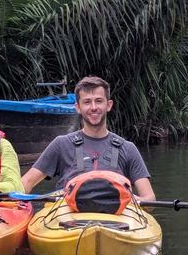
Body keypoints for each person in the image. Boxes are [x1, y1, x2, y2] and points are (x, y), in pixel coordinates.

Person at [21, 76, 156, 202]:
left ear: (108, 105)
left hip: (115, 223)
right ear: (78, 108)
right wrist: (4, 193)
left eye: (99, 101)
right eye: (87, 102)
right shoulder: (61, 144)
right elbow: (26, 183)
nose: (93, 107)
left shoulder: (127, 148)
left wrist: (130, 200)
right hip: (70, 222)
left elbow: (149, 197)